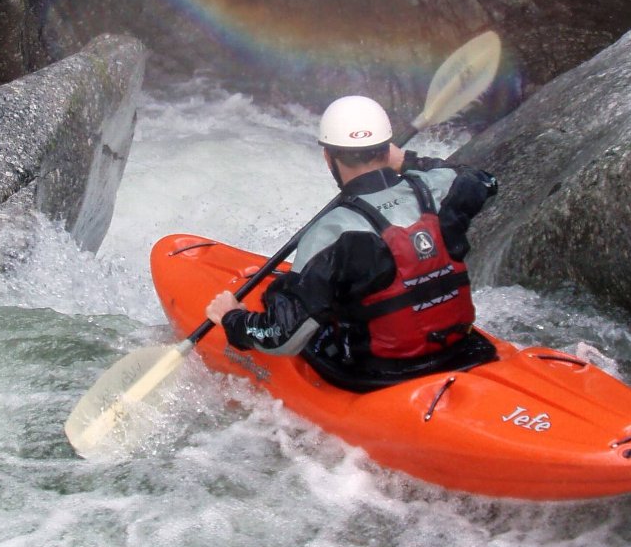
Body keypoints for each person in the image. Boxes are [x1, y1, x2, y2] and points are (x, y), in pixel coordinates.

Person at [204, 95, 499, 390]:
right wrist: (406, 161)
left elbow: (283, 338)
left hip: (383, 372)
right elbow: (485, 180)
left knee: (286, 300)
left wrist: (232, 317)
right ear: (387, 149)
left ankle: (287, 295)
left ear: (328, 158)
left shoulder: (329, 233)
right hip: (461, 349)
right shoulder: (442, 188)